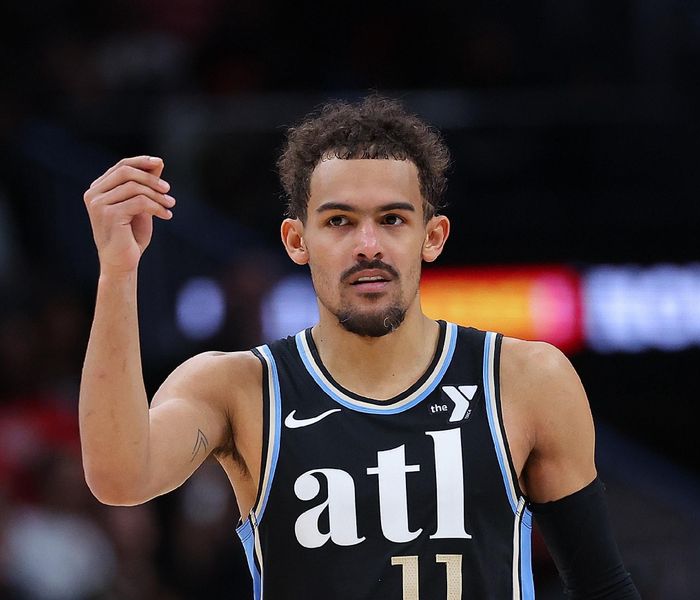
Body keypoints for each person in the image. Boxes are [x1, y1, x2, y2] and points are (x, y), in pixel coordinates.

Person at [80, 96, 640, 599]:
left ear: (432, 236)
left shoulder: (525, 378)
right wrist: (117, 273)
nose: (367, 246)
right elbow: (121, 478)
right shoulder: (239, 387)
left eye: (392, 219)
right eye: (340, 221)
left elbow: (603, 586)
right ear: (297, 241)